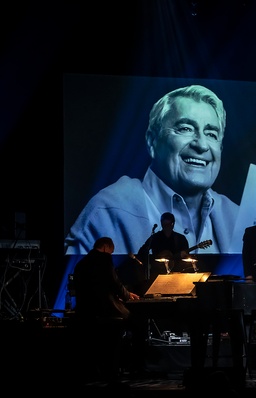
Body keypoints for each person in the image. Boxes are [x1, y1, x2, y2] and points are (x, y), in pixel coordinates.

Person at [64, 84, 239, 256]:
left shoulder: (237, 217)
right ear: (152, 141)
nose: (201, 145)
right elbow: (76, 281)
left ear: (221, 148)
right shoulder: (106, 212)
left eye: (211, 134)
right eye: (186, 129)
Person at [72, 237, 141, 384]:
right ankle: (133, 366)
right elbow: (114, 283)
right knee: (135, 322)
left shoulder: (81, 264)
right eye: (111, 251)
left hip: (85, 311)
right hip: (104, 310)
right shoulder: (104, 259)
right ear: (105, 247)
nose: (110, 254)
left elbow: (95, 286)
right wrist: (127, 295)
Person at [136, 212, 191, 279]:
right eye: (164, 225)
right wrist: (150, 263)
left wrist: (184, 255)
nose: (167, 227)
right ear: (161, 224)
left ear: (173, 224)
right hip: (157, 272)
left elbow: (186, 257)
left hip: (176, 272)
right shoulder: (155, 237)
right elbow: (142, 251)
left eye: (169, 224)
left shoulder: (180, 238)